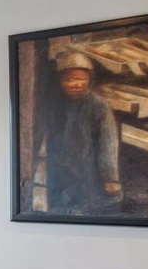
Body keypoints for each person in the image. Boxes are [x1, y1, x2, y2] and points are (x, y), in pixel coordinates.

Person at [44, 52, 122, 214]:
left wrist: (110, 178)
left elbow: (108, 143)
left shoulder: (98, 106)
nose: (75, 84)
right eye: (69, 79)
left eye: (81, 79)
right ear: (60, 81)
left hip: (89, 173)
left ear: (89, 80)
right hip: (61, 174)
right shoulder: (54, 105)